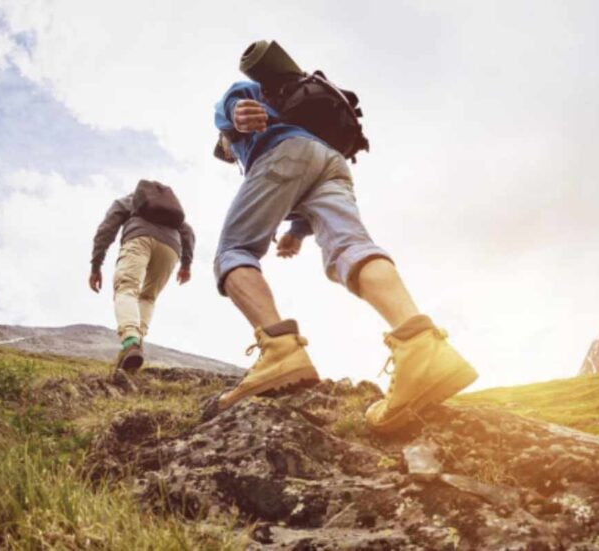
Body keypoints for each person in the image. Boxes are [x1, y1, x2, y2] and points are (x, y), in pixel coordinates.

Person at [212, 40, 477, 434]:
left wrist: (232, 117)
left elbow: (233, 101)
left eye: (225, 151)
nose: (229, 154)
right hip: (331, 162)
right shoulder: (300, 119)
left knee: (234, 251)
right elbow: (304, 180)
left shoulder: (245, 118)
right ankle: (420, 345)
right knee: (350, 248)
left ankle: (280, 351)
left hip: (284, 152)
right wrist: (297, 233)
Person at [89, 182, 195, 373]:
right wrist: (186, 265)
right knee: (148, 297)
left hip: (139, 238)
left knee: (126, 288)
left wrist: (96, 265)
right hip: (171, 248)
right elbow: (188, 232)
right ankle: (135, 346)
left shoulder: (129, 201)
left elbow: (107, 228)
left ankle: (131, 342)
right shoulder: (172, 214)